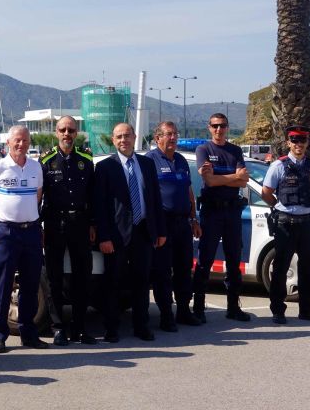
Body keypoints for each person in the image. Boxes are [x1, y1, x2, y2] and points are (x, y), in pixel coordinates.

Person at [94, 123, 166, 342]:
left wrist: (159, 230)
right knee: (113, 282)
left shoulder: (147, 164)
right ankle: (111, 328)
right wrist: (104, 236)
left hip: (143, 232)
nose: (123, 140)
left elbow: (155, 199)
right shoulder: (106, 167)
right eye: (118, 137)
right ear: (113, 141)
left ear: (135, 137)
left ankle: (141, 326)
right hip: (116, 235)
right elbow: (100, 206)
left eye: (127, 135)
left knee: (142, 282)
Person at [0, 125, 47, 353]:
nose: (22, 145)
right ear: (8, 143)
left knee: (31, 283)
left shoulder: (35, 167)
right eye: (17, 141)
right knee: (3, 283)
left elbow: (37, 196)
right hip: (7, 232)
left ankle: (28, 333)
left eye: (25, 141)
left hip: (31, 231)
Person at [39, 116, 98, 346]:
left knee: (82, 277)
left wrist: (93, 224)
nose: (67, 134)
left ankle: (80, 329)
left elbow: (92, 195)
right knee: (53, 278)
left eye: (71, 130)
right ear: (56, 133)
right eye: (63, 130)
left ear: (77, 132)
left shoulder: (86, 159)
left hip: (80, 224)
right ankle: (58, 328)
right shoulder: (46, 160)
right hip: (54, 224)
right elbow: (39, 197)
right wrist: (39, 226)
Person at [261, 126, 310, 324]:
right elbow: (266, 192)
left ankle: (306, 309)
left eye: (302, 140)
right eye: (295, 140)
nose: (299, 144)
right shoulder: (278, 166)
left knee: (307, 267)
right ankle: (278, 310)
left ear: (307, 143)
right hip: (286, 224)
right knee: (280, 267)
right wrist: (280, 207)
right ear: (289, 143)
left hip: (307, 224)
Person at [193, 113, 251, 323]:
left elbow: (243, 182)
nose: (219, 130)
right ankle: (198, 307)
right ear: (209, 128)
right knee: (205, 260)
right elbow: (209, 181)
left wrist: (223, 178)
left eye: (223, 126)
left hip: (232, 213)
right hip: (212, 212)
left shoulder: (235, 150)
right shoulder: (203, 150)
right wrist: (234, 177)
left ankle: (233, 307)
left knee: (234, 260)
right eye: (215, 126)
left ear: (227, 127)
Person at [146, 121, 202, 331]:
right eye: (168, 134)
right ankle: (166, 315)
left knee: (183, 269)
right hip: (163, 224)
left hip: (182, 224)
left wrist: (193, 218)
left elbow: (188, 192)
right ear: (157, 137)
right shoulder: (149, 160)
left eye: (175, 134)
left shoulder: (180, 160)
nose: (173, 138)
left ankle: (184, 311)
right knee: (162, 272)